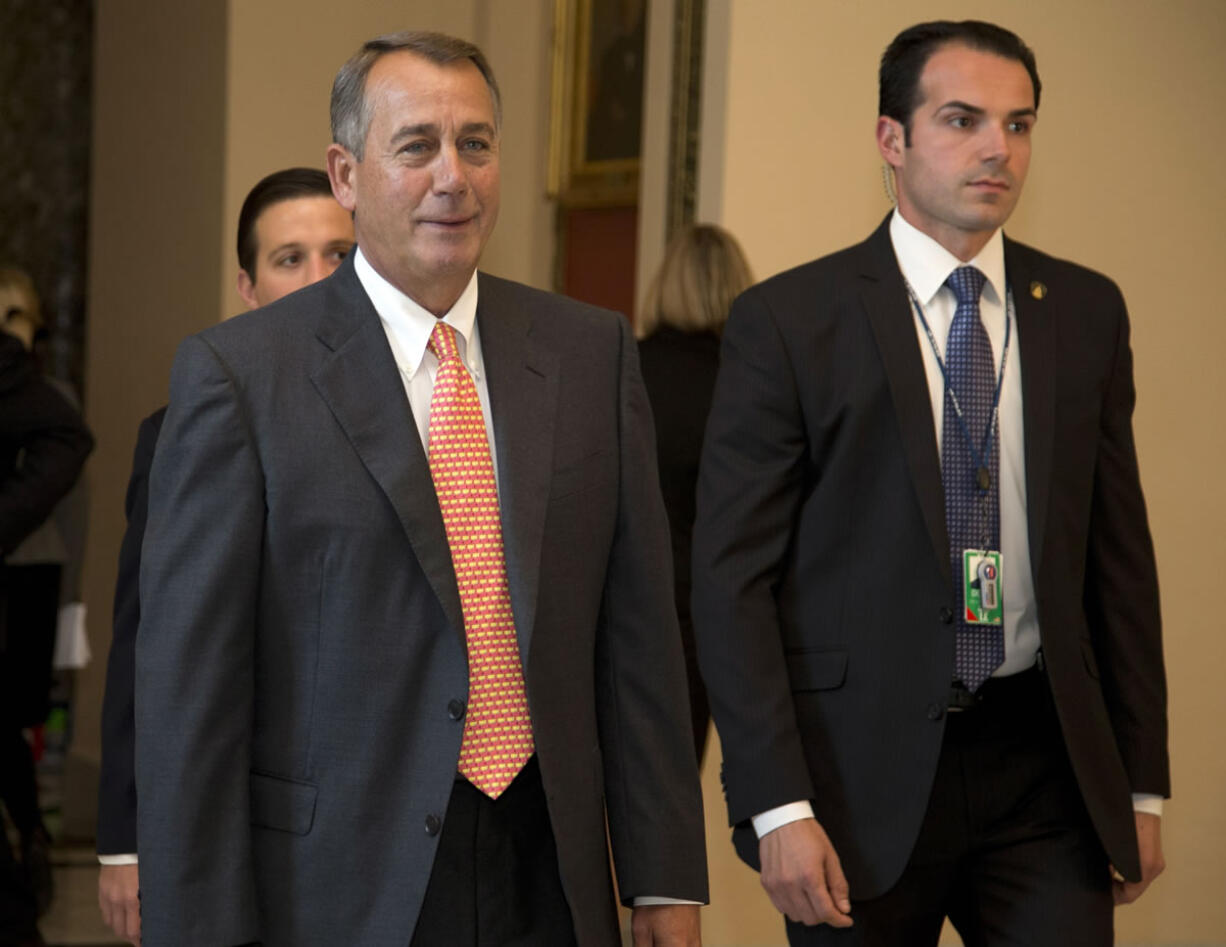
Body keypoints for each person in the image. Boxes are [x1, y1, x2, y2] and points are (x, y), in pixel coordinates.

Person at [134, 31, 706, 947]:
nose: (454, 176)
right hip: (339, 887)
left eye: (475, 144)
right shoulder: (241, 377)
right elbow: (190, 699)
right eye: (417, 147)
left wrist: (666, 874)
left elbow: (638, 640)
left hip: (548, 870)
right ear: (346, 174)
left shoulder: (587, 353)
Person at [692, 20, 1167, 945]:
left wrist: (1141, 781)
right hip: (853, 775)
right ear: (891, 139)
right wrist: (777, 803)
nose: (998, 147)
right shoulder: (788, 321)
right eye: (963, 119)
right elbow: (730, 580)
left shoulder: (1084, 310)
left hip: (1044, 767)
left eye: (1020, 124)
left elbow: (1120, 561)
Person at [95, 167, 354, 944]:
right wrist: (125, 839)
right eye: (290, 258)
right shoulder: (186, 427)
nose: (318, 280)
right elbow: (149, 644)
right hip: (255, 821)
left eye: (340, 256)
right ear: (246, 285)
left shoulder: (432, 413)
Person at [1, 267, 93, 947]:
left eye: (15, 316)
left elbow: (74, 513)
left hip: (35, 580)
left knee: (21, 717)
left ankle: (33, 832)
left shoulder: (48, 399)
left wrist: (72, 606)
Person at [637, 224, 752, 761]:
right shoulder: (745, 387)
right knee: (672, 800)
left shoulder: (623, 370)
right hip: (698, 626)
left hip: (619, 613)